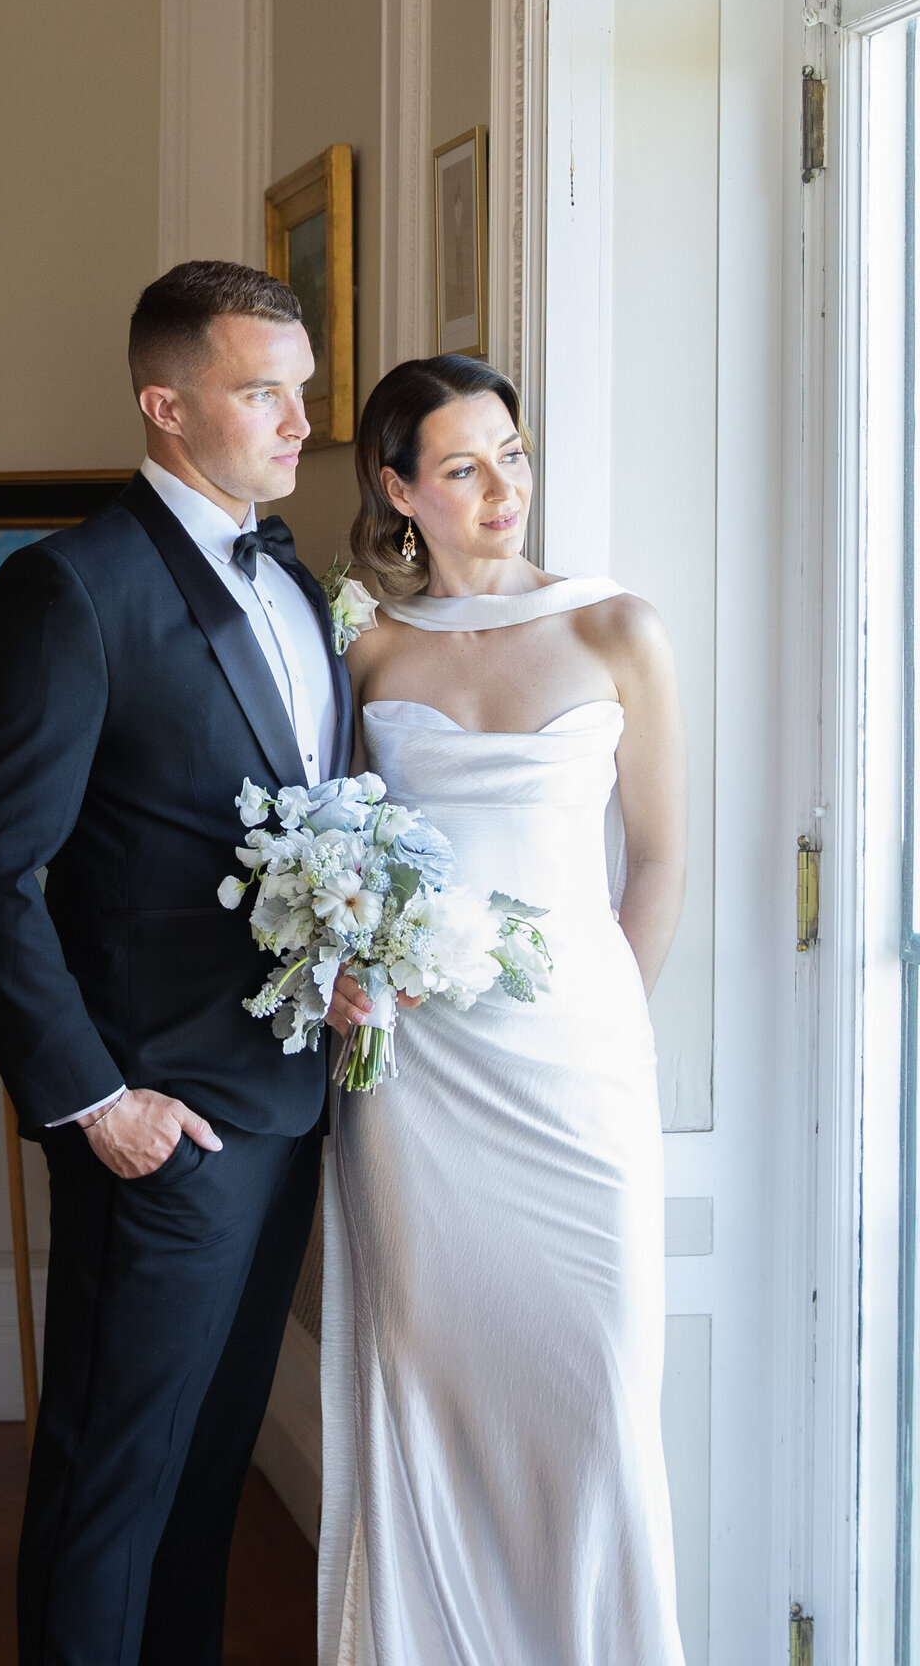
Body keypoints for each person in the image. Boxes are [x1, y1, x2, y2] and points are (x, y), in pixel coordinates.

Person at [0, 260, 352, 1666]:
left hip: (287, 1109)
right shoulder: (71, 587)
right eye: (262, 392)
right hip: (157, 1126)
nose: (300, 422)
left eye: (302, 390)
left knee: (204, 1480)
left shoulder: (296, 579)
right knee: (109, 1493)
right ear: (167, 407)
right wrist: (98, 1103)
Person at [320, 354, 689, 1665]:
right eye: (465, 467)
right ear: (398, 489)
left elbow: (659, 860)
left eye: (514, 457)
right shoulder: (364, 642)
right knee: (428, 1386)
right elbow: (331, 847)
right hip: (415, 1082)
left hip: (577, 1072)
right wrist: (341, 970)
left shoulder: (616, 630)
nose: (503, 491)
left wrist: (602, 1021)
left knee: (594, 1400)